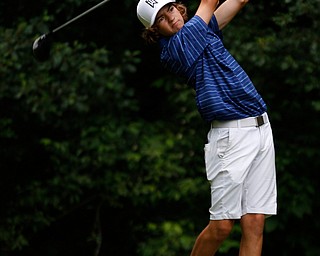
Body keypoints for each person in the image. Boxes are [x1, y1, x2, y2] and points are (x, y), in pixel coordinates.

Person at [136, 0, 277, 255]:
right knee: (222, 226)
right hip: (230, 136)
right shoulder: (175, 48)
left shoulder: (203, 28)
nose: (170, 19)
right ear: (156, 32)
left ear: (178, 7)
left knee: (255, 222)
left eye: (169, 9)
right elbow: (209, 2)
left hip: (260, 127)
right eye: (160, 20)